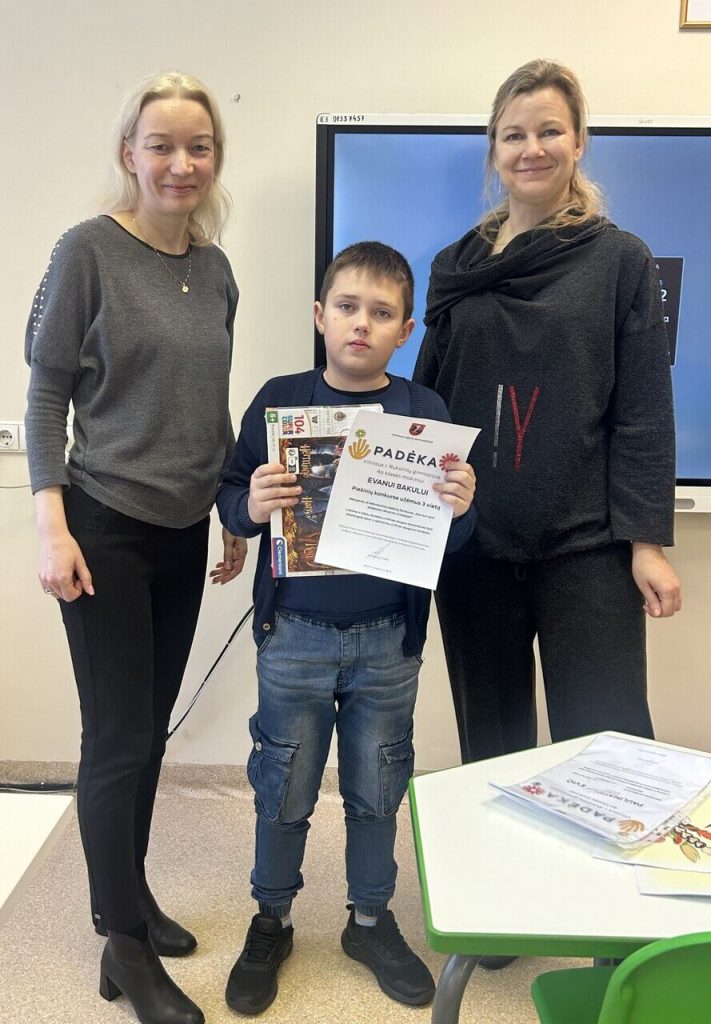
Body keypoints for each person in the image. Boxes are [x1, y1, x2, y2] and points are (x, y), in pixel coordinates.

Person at [24, 71, 245, 1024]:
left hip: (183, 529)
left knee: (148, 731)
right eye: (161, 145)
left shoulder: (216, 268)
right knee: (116, 738)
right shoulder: (88, 251)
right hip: (104, 527)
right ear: (129, 153)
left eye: (198, 146)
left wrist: (230, 504)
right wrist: (52, 524)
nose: (180, 163)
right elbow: (45, 395)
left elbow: (206, 404)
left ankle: (134, 896)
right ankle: (121, 947)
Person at [414, 57, 681, 827]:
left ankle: (608, 899)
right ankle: (499, 888)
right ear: (493, 149)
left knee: (606, 755)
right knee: (490, 750)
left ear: (578, 141)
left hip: (584, 546)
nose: (530, 149)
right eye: (513, 135)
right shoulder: (457, 267)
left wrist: (645, 543)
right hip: (473, 544)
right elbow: (426, 398)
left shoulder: (619, 260)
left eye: (548, 131)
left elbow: (642, 409)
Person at [217, 241, 476, 1014]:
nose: (362, 323)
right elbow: (231, 500)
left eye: (381, 312)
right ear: (320, 315)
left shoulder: (425, 412)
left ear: (404, 330)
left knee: (378, 788)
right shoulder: (281, 401)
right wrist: (250, 504)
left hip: (387, 643)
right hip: (294, 635)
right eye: (347, 307)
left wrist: (461, 509)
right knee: (283, 788)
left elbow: (450, 540)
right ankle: (271, 920)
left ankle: (368, 921)